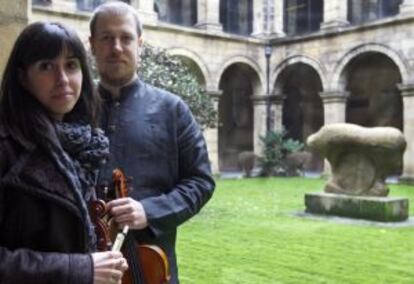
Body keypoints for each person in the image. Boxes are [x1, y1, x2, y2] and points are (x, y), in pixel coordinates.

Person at [89, 2, 215, 283]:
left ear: (140, 45)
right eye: (106, 38)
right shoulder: (74, 110)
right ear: (92, 45)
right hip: (85, 268)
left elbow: (201, 181)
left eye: (126, 38)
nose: (117, 47)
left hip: (151, 269)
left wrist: (149, 211)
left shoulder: (173, 109)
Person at [0, 22, 128, 284]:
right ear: (22, 77)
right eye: (47, 66)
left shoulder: (85, 144)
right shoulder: (6, 147)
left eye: (71, 65)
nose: (63, 79)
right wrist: (79, 269)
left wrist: (100, 261)